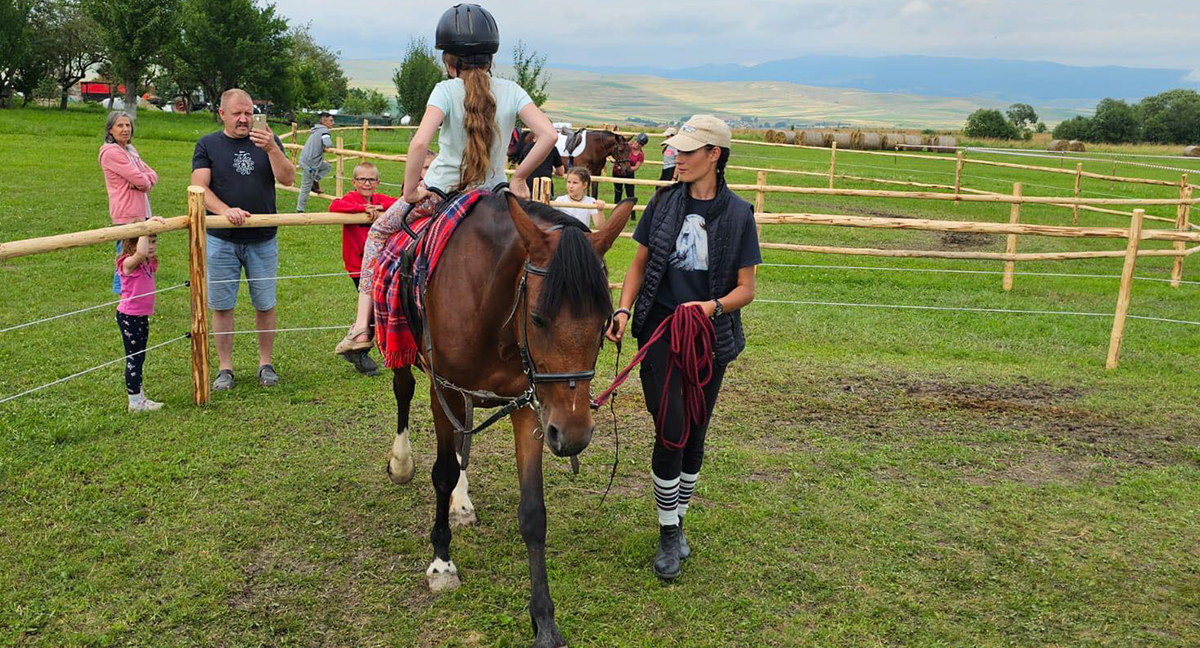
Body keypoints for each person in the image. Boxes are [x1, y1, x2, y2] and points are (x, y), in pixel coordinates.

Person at [334, 2, 558, 356]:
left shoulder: (444, 90)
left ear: (449, 59)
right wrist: (520, 177)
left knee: (378, 235)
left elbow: (420, 141)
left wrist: (410, 191)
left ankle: (361, 328)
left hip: (441, 197)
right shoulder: (513, 91)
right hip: (494, 197)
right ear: (490, 56)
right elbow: (548, 134)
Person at [607, 115, 761, 581]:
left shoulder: (739, 215)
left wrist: (710, 307)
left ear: (715, 155)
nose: (677, 158)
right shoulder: (663, 201)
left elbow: (745, 289)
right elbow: (639, 263)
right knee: (670, 427)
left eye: (688, 152)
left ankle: (677, 519)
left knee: (695, 431)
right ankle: (668, 532)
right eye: (676, 151)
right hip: (658, 333)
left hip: (708, 339)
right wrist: (623, 310)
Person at [191, 88, 296, 391]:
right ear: (222, 113)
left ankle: (266, 363)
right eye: (237, 113)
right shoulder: (208, 144)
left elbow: (288, 179)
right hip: (221, 238)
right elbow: (199, 188)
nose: (244, 119)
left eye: (249, 112)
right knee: (222, 306)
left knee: (265, 304)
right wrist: (226, 211)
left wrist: (273, 150)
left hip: (263, 237)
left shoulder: (268, 141)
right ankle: (225, 368)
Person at [328, 161, 399, 376]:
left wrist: (380, 209)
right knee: (374, 309)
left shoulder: (380, 200)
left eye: (371, 180)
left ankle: (357, 344)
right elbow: (335, 206)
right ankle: (358, 348)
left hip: (380, 264)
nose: (367, 183)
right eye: (362, 179)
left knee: (378, 308)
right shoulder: (351, 200)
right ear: (354, 182)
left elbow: (397, 202)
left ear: (378, 182)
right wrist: (362, 209)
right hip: (358, 266)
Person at [100, 111, 158, 294]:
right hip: (126, 211)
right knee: (126, 253)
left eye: (128, 125)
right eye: (120, 126)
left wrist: (143, 182)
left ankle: (138, 291)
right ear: (110, 129)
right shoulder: (111, 152)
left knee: (142, 252)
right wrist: (142, 182)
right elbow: (140, 179)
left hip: (142, 209)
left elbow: (151, 174)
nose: (126, 129)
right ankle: (123, 294)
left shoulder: (130, 150)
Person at [115, 234, 163, 412]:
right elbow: (141, 252)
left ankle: (140, 397)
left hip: (141, 316)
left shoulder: (147, 263)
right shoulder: (128, 263)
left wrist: (153, 221)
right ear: (131, 244)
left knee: (140, 356)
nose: (151, 246)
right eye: (146, 242)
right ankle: (134, 402)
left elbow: (143, 252)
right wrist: (144, 229)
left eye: (154, 241)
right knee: (133, 359)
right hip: (129, 317)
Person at [296, 111, 334, 212]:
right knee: (305, 188)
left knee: (327, 166)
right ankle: (300, 210)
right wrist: (331, 147)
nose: (332, 123)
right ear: (324, 121)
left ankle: (315, 180)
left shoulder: (316, 130)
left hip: (309, 160)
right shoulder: (324, 131)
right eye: (331, 120)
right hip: (310, 163)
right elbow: (328, 143)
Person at [516, 128, 564, 195]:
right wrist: (552, 170)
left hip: (528, 187)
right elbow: (561, 172)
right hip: (546, 188)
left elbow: (520, 167)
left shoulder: (527, 147)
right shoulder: (552, 148)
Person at [614, 132, 647, 204]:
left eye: (640, 144)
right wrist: (618, 166)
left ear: (642, 146)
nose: (637, 144)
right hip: (618, 172)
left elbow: (636, 167)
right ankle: (616, 212)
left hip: (629, 174)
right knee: (618, 193)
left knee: (630, 194)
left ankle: (633, 214)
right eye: (637, 142)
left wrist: (626, 168)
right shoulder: (627, 146)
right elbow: (618, 155)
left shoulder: (640, 155)